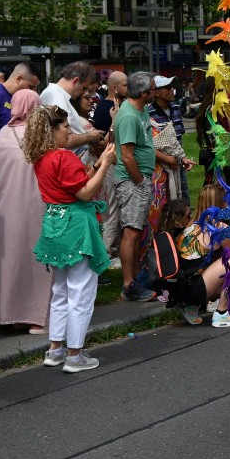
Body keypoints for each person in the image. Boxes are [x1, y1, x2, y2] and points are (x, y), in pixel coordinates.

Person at [22, 105, 115, 373]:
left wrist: (97, 164)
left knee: (60, 291)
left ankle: (56, 349)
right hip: (75, 225)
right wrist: (106, 164)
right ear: (53, 130)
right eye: (65, 127)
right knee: (81, 291)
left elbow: (75, 183)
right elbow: (85, 192)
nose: (69, 131)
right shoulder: (64, 157)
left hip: (55, 224)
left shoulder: (41, 157)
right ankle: (75, 355)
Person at [0, 90, 52, 332]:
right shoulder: (40, 133)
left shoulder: (3, 133)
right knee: (38, 260)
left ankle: (9, 315)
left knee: (9, 260)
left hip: (5, 205)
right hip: (36, 202)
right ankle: (37, 317)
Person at [166, 184, 230, 328]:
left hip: (180, 290)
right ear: (220, 203)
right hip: (195, 289)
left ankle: (191, 306)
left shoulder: (191, 225)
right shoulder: (219, 227)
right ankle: (223, 313)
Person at [114, 71, 159, 302]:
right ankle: (128, 285)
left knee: (135, 230)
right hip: (132, 181)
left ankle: (133, 280)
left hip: (138, 179)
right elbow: (127, 155)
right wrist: (140, 182)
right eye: (153, 88)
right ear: (143, 93)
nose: (156, 91)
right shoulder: (130, 116)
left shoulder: (140, 110)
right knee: (131, 231)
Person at [0, 62, 41, 206]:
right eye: (30, 87)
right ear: (19, 79)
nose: (33, 92)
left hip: (12, 171)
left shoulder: (17, 97)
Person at [93, 71, 127, 265]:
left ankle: (113, 250)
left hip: (114, 165)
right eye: (125, 85)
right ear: (115, 88)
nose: (129, 88)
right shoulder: (107, 109)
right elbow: (104, 143)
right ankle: (109, 253)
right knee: (112, 209)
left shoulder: (115, 107)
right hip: (109, 165)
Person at [39, 61, 105, 156]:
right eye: (83, 88)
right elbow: (63, 139)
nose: (83, 92)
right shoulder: (57, 98)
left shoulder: (56, 95)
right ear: (75, 81)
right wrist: (89, 136)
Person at [149, 75, 195, 201]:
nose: (172, 90)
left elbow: (178, 138)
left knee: (183, 192)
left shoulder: (174, 107)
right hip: (160, 164)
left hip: (177, 159)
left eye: (172, 87)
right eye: (168, 87)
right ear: (156, 92)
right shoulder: (149, 112)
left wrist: (182, 157)